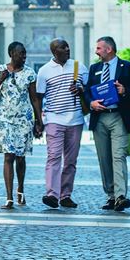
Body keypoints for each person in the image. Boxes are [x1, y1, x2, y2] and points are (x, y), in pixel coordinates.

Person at [85, 36, 130, 211]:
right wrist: (91, 103)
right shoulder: (94, 68)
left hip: (118, 116)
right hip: (99, 118)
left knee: (118, 156)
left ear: (109, 49)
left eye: (99, 48)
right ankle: (111, 195)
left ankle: (120, 196)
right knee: (104, 159)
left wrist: (125, 90)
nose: (96, 51)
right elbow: (87, 91)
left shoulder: (127, 67)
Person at [0, 42, 43, 209]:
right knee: (8, 156)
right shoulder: (0, 70)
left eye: (25, 53)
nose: (24, 56)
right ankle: (9, 197)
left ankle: (20, 189)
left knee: (20, 157)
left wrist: (39, 121)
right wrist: (2, 78)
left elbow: (34, 98)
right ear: (12, 53)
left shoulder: (30, 73)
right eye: (21, 53)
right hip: (4, 119)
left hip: (24, 120)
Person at [36, 39, 88, 209]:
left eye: (67, 46)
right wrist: (39, 121)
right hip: (54, 119)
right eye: (62, 47)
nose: (67, 49)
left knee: (71, 161)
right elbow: (39, 97)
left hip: (76, 120)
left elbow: (89, 90)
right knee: (53, 157)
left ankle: (65, 195)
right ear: (54, 51)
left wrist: (81, 90)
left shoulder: (79, 67)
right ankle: (52, 194)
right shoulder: (44, 71)